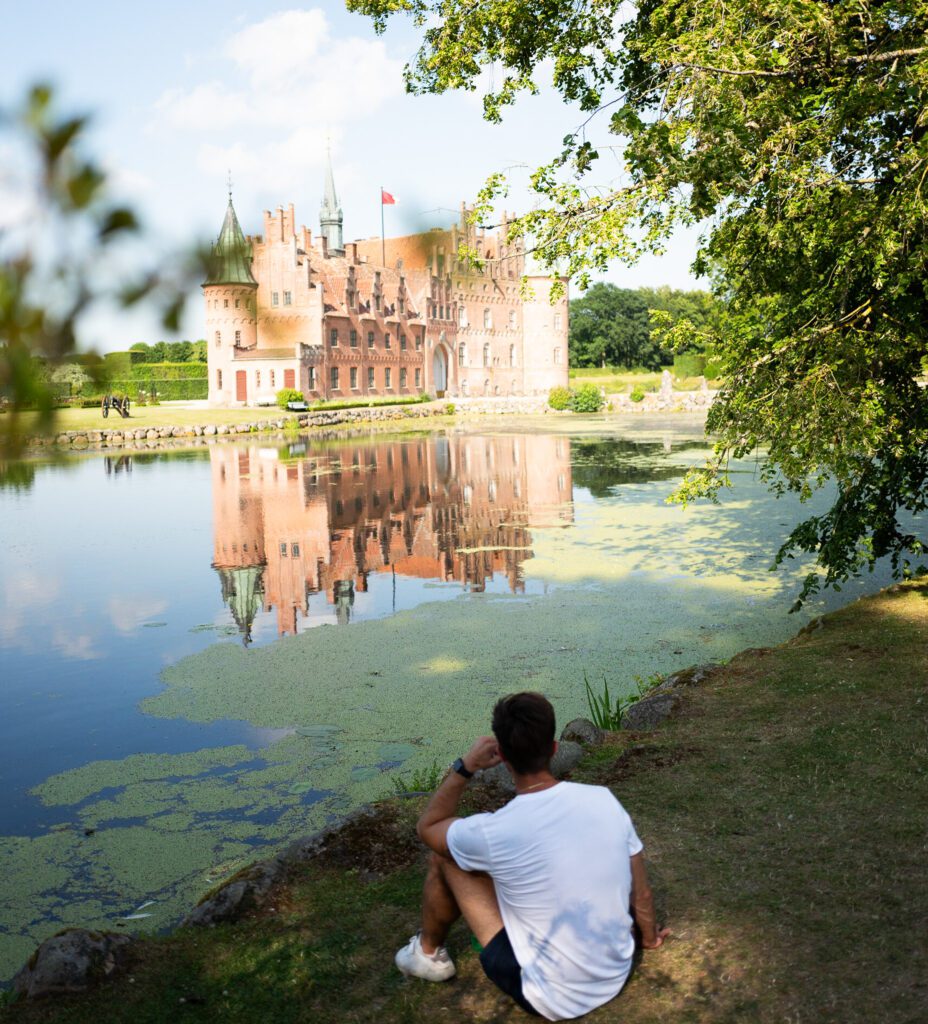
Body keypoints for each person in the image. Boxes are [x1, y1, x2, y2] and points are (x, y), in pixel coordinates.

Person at [395, 691, 669, 1021]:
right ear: (554, 748)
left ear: (503, 757)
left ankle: (426, 954)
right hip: (615, 970)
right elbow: (642, 891)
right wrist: (649, 939)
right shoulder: (603, 799)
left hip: (549, 997)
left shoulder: (495, 831)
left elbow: (429, 827)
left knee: (446, 857)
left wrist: (464, 768)